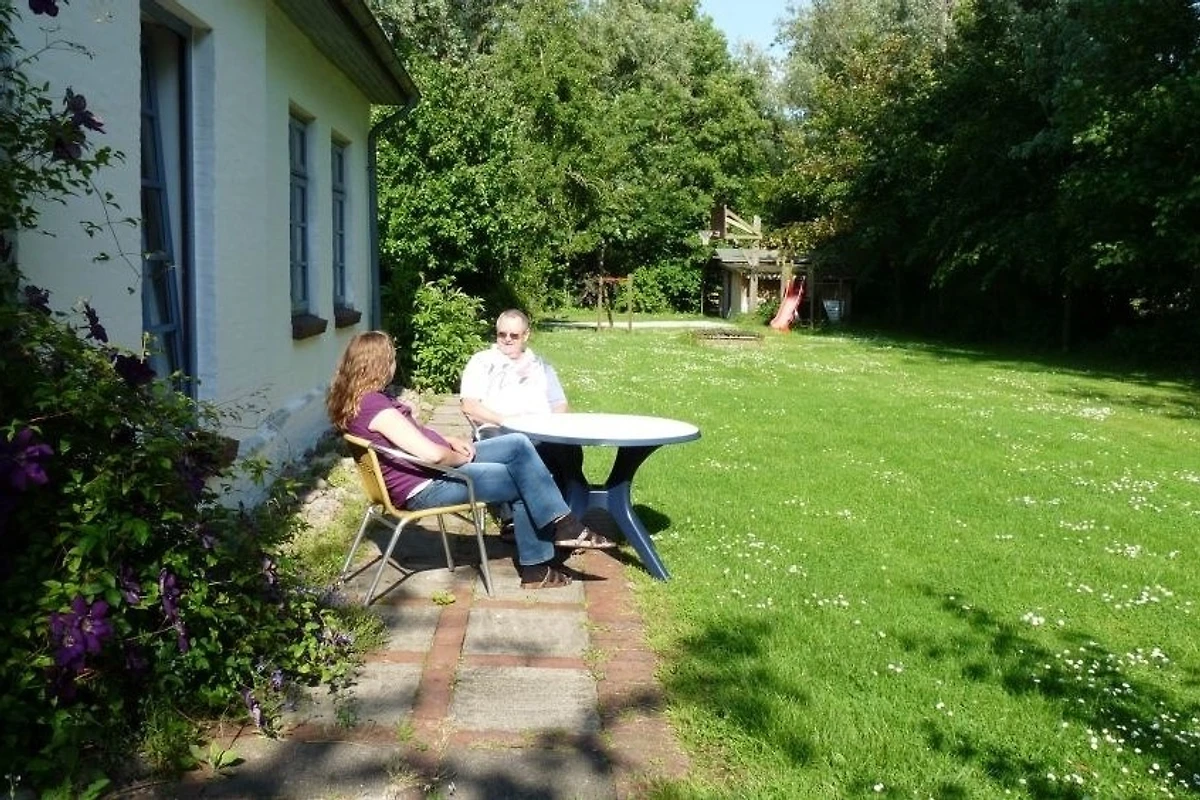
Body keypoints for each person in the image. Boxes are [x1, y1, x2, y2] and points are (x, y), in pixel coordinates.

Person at [327, 331, 615, 590]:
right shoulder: (374, 406)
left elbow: (411, 437)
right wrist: (454, 456)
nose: (394, 365)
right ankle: (537, 565)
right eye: (391, 359)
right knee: (524, 479)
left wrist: (448, 439)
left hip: (427, 473)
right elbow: (432, 455)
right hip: (426, 487)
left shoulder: (362, 399)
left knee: (517, 444)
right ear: (378, 364)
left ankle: (562, 523)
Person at [460, 309, 584, 497]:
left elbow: (560, 404)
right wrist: (508, 421)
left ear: (526, 335)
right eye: (502, 334)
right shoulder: (482, 362)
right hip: (499, 430)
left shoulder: (541, 365)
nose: (507, 339)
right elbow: (469, 406)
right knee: (519, 448)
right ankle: (523, 512)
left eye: (514, 335)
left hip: (541, 430)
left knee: (569, 448)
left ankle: (572, 503)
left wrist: (552, 427)